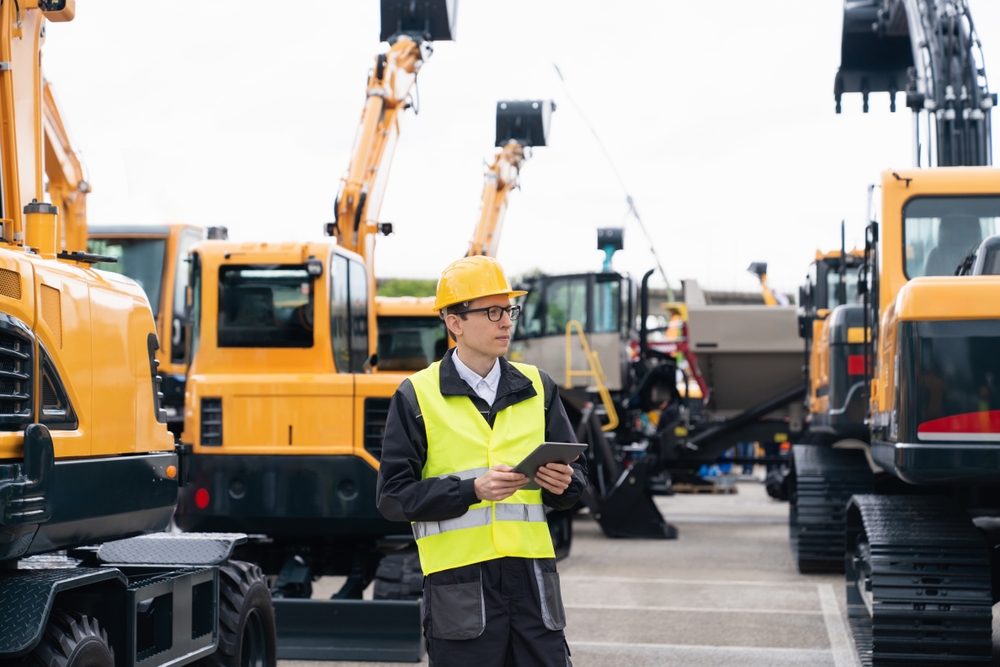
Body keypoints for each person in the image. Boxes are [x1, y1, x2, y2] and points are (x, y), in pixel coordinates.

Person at [376, 255, 588, 667]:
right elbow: (393, 498)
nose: (506, 322)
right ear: (454, 322)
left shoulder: (538, 387)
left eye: (509, 310)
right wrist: (472, 490)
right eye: (492, 312)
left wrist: (565, 484)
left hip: (532, 584)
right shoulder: (416, 396)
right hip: (459, 586)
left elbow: (577, 480)